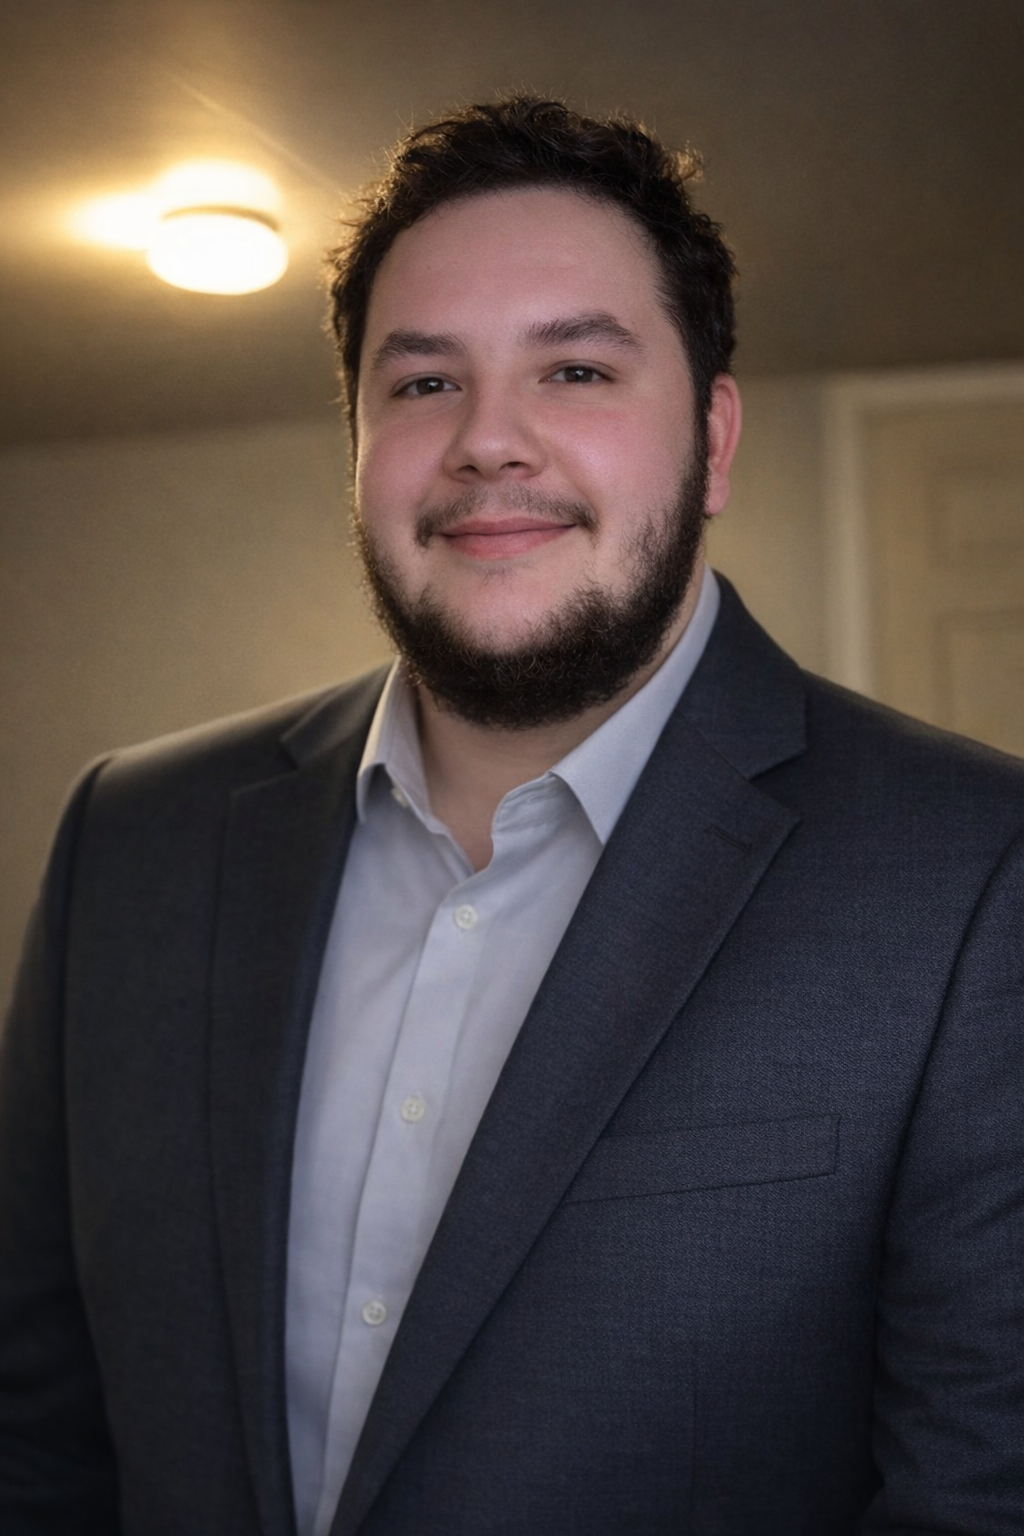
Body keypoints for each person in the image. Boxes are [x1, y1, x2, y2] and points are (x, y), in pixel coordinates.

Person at [1, 95, 1022, 1536]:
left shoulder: (973, 875)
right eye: (423, 385)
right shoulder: (131, 842)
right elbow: (35, 1433)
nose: (491, 441)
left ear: (714, 440)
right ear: (354, 447)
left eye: (579, 370)